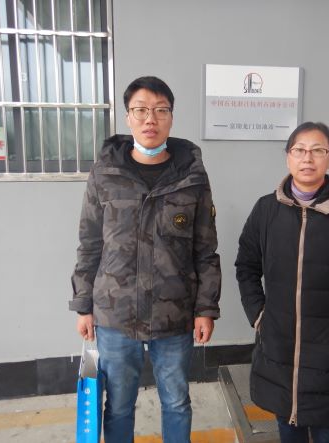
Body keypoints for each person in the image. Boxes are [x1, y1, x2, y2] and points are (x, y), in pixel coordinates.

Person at [69, 76, 221, 443]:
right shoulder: (105, 174)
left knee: (177, 402)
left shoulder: (192, 176)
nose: (150, 119)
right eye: (140, 110)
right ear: (128, 117)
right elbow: (89, 243)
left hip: (175, 314)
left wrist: (206, 308)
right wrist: (83, 305)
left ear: (171, 117)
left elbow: (205, 249)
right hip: (116, 314)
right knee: (119, 405)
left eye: (160, 110)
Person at [235, 122, 329, 443]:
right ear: (288, 156)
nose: (308, 158)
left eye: (318, 150)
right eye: (300, 150)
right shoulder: (266, 210)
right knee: (288, 430)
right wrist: (259, 316)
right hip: (278, 350)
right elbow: (246, 266)